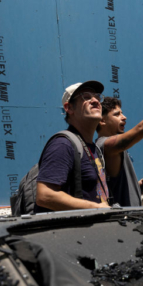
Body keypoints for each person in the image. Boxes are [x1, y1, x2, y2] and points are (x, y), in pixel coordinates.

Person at [35, 81, 110, 212]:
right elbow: (45, 195)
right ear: (69, 108)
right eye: (86, 97)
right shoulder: (63, 145)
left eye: (97, 97)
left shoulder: (93, 148)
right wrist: (96, 208)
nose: (95, 101)